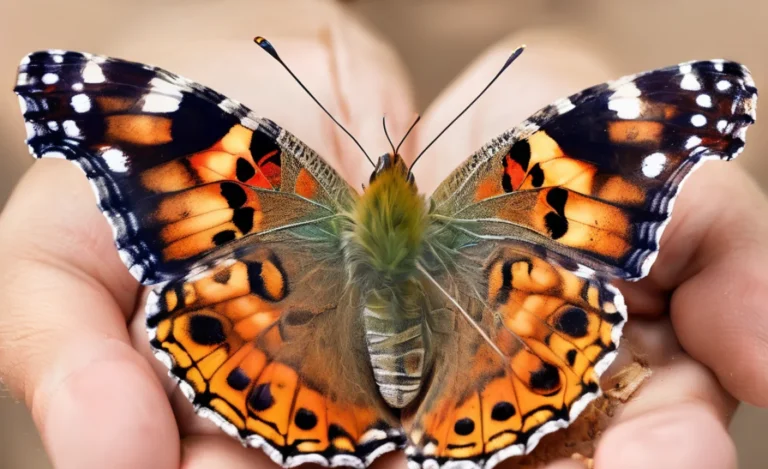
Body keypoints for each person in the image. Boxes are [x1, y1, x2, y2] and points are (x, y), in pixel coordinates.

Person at [0, 2, 767, 468]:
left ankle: (327, 414)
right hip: (497, 330)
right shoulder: (520, 178)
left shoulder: (264, 177)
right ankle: (468, 416)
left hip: (279, 323)